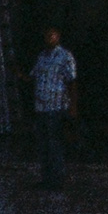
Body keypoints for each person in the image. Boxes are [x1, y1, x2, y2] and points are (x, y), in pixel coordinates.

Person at [27, 25, 81, 190]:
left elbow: (72, 82)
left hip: (56, 107)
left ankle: (58, 179)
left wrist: (73, 107)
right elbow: (33, 77)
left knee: (54, 144)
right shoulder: (42, 56)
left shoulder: (65, 56)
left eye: (52, 35)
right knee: (43, 145)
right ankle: (47, 178)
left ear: (58, 36)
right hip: (41, 107)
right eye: (46, 35)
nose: (49, 38)